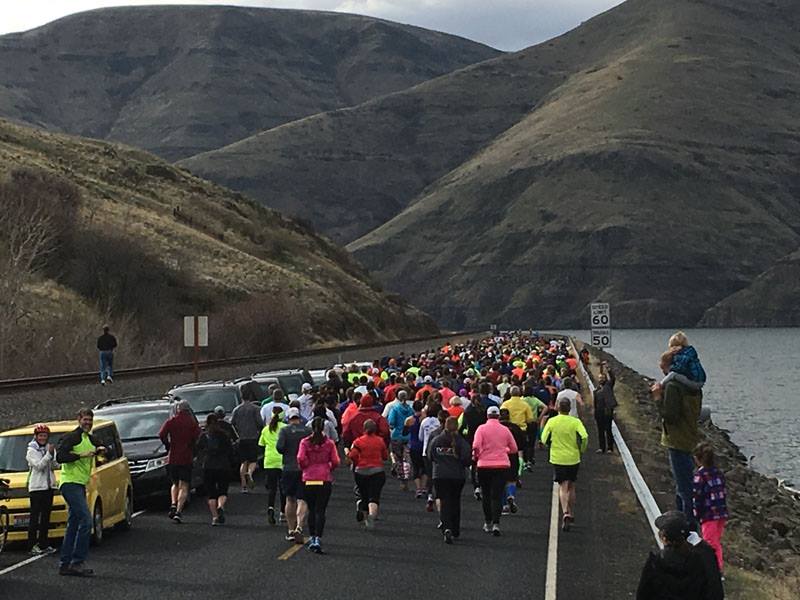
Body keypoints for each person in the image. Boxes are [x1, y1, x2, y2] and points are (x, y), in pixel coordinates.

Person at [651, 351, 703, 530]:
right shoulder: (693, 386)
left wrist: (658, 398)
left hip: (677, 440)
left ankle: (688, 528)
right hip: (689, 437)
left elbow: (670, 416)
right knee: (685, 485)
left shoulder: (673, 386)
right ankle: (683, 523)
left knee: (684, 488)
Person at [55, 409, 106, 576]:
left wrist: (102, 449)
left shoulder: (90, 439)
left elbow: (105, 450)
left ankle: (65, 564)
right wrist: (80, 455)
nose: (88, 423)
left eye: (90, 420)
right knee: (86, 520)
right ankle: (77, 562)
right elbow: (60, 456)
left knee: (74, 524)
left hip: (80, 484)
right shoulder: (72, 437)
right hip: (69, 483)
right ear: (79, 420)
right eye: (85, 420)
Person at [636, 510, 724, 600]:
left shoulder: (656, 562)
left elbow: (643, 594)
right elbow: (715, 591)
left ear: (664, 538)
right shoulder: (704, 556)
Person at [540, 398, 588, 531]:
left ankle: (565, 511)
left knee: (563, 486)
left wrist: (550, 445)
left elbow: (544, 438)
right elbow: (584, 436)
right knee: (571, 485)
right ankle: (571, 512)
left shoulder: (552, 421)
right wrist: (582, 448)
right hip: (573, 457)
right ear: (569, 408)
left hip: (558, 458)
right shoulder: (575, 421)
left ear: (558, 407)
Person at [297, 417, 341, 553]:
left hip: (309, 478)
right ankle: (318, 538)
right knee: (320, 510)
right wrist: (329, 468)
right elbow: (336, 460)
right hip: (324, 478)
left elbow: (300, 458)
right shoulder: (329, 443)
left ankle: (311, 536)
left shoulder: (305, 442)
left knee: (311, 509)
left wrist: (305, 467)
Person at [472, 405, 518, 536]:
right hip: (501, 465)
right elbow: (514, 448)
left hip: (484, 465)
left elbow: (476, 445)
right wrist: (505, 450)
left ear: (487, 416)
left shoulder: (481, 429)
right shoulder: (505, 430)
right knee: (497, 495)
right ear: (498, 416)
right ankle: (496, 524)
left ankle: (488, 522)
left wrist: (476, 456)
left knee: (486, 495)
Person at [428, 417, 471, 544]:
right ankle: (455, 528)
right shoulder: (461, 442)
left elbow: (430, 456)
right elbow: (466, 459)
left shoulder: (436, 440)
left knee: (444, 501)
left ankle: (446, 527)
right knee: (455, 501)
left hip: (440, 475)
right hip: (457, 476)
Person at [158, 399, 201, 523]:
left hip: (173, 457)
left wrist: (168, 445)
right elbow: (199, 437)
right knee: (184, 485)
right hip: (186, 458)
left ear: (178, 409)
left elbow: (161, 434)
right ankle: (178, 510)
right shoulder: (192, 424)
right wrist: (193, 448)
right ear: (188, 410)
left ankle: (172, 503)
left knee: (175, 483)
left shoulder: (171, 421)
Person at [276, 407, 311, 543]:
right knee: (302, 499)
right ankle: (300, 527)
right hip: (304, 469)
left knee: (290, 499)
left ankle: (290, 530)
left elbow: (280, 448)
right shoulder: (307, 431)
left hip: (288, 468)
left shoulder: (284, 431)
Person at [692, 444, 728, 574]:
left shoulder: (699, 476)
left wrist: (696, 513)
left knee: (710, 543)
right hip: (721, 512)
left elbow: (697, 497)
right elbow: (723, 491)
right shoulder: (718, 473)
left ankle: (715, 569)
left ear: (698, 459)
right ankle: (716, 566)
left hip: (708, 514)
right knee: (716, 541)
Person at [348, 419, 388, 529]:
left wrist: (357, 462)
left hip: (361, 472)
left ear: (364, 429)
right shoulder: (380, 441)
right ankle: (371, 517)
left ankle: (363, 511)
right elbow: (385, 456)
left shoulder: (358, 441)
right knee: (374, 497)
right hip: (377, 471)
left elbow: (352, 456)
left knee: (364, 495)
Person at [196, 414, 235, 526]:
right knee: (223, 491)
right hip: (223, 465)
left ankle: (214, 518)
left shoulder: (204, 436)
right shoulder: (224, 435)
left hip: (208, 466)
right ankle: (221, 506)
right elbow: (230, 450)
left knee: (211, 494)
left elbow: (197, 448)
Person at [26, 423, 58, 555]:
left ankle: (44, 543)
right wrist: (49, 455)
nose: (43, 438)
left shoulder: (49, 449)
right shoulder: (31, 450)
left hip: (48, 486)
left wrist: (55, 457)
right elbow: (38, 466)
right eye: (40, 435)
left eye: (45, 435)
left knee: (46, 517)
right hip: (37, 487)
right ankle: (31, 544)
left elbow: (55, 464)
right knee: (35, 517)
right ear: (36, 436)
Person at [231, 387, 264, 493]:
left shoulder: (236, 409)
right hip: (253, 437)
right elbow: (260, 423)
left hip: (241, 438)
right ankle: (250, 473)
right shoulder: (255, 409)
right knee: (253, 461)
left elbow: (232, 423)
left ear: (241, 397)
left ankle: (244, 486)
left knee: (243, 462)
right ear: (250, 397)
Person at [259, 406, 287, 525]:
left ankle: (270, 508)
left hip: (269, 461)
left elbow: (261, 444)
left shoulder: (266, 429)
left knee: (272, 489)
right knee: (283, 488)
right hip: (282, 461)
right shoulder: (285, 428)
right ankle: (282, 512)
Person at [499, 408, 526, 514]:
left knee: (501, 481)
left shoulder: (497, 428)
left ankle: (504, 505)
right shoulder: (515, 428)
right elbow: (522, 444)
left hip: (500, 456)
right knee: (512, 480)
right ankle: (511, 495)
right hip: (513, 456)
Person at [387, 390, 414, 490]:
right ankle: (406, 477)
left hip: (396, 436)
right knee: (406, 457)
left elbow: (391, 422)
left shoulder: (394, 409)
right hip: (408, 436)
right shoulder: (411, 410)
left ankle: (400, 476)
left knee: (397, 457)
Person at [593, 367, 617, 454]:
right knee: (600, 431)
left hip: (607, 412)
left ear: (605, 378)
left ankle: (610, 448)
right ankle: (601, 448)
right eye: (599, 378)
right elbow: (595, 403)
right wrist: (595, 413)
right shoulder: (596, 390)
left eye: (602, 378)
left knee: (608, 430)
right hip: (599, 413)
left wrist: (609, 369)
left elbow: (613, 378)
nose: (601, 379)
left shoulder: (608, 385)